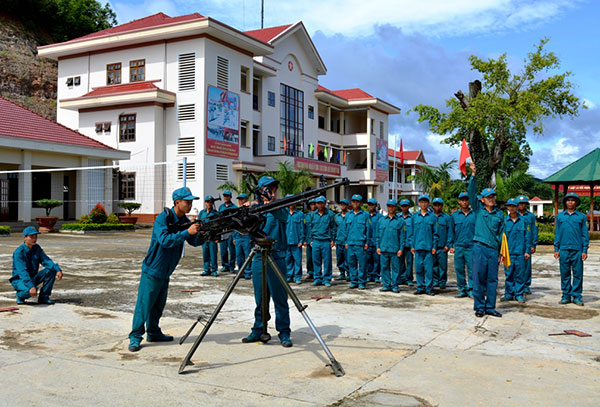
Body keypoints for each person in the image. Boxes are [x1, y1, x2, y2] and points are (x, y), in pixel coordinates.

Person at [128, 187, 203, 351]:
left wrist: (204, 235)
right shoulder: (163, 219)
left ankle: (153, 332)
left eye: (191, 202)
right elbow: (165, 240)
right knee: (144, 305)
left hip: (166, 271)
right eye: (187, 202)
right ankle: (135, 337)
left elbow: (194, 241)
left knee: (158, 305)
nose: (190, 205)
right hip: (152, 270)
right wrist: (187, 232)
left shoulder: (184, 222)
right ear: (177, 202)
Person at [242, 176, 292, 347]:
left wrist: (270, 202)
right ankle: (258, 329)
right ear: (260, 190)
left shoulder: (280, 207)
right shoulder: (255, 209)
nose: (272, 191)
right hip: (258, 257)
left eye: (273, 188)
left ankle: (284, 332)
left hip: (276, 256)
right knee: (260, 298)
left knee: (280, 298)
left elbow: (283, 217)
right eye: (268, 188)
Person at [469, 162, 505, 318]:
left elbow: (502, 234)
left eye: (493, 197)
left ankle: (490, 307)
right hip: (479, 248)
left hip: (493, 250)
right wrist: (473, 176)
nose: (491, 199)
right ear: (482, 200)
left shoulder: (499, 214)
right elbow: (471, 193)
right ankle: (479, 306)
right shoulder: (477, 210)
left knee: (492, 279)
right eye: (488, 197)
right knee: (478, 278)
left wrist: (502, 252)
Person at [10, 226, 63, 305]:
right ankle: (20, 296)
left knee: (51, 270)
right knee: (28, 291)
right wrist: (31, 286)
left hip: (32, 277)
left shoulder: (37, 248)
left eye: (35, 237)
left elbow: (46, 260)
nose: (34, 239)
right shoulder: (19, 252)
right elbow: (22, 272)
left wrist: (58, 269)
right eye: (31, 237)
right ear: (25, 238)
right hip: (19, 280)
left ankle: (44, 297)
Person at [554, 192, 589, 306]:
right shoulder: (560, 216)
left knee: (578, 274)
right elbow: (557, 233)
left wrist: (584, 250)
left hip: (577, 250)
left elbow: (584, 234)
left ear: (576, 202)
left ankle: (577, 296)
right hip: (564, 249)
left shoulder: (581, 217)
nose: (570, 202)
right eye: (568, 200)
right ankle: (566, 296)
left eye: (573, 200)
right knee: (565, 273)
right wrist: (556, 248)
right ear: (565, 202)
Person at [502, 198, 531, 303]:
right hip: (508, 253)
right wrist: (502, 253)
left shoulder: (524, 221)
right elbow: (501, 238)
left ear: (517, 207)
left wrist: (527, 251)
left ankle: (519, 294)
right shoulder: (504, 221)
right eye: (509, 206)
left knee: (520, 275)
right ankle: (509, 293)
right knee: (508, 275)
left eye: (514, 206)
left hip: (520, 253)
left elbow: (528, 237)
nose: (511, 208)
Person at [410, 195, 438, 296]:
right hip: (418, 247)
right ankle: (420, 287)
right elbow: (411, 233)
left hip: (428, 247)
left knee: (429, 269)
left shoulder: (433, 217)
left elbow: (435, 233)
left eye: (425, 202)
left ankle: (429, 288)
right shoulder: (414, 217)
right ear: (418, 203)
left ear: (428, 203)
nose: (423, 204)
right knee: (418, 268)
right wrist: (412, 246)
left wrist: (434, 246)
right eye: (421, 202)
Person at [449, 192, 475, 298]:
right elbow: (451, 231)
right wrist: (451, 245)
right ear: (459, 201)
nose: (464, 202)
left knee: (472, 269)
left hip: (471, 246)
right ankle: (462, 289)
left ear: (469, 201)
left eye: (466, 200)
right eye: (462, 200)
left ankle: (471, 289)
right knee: (459, 268)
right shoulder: (454, 216)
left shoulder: (474, 215)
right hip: (459, 246)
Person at [341, 194, 370, 289]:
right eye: (353, 201)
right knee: (351, 264)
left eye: (357, 201)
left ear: (361, 203)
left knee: (362, 264)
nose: (355, 203)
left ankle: (362, 281)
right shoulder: (348, 215)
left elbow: (368, 230)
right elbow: (345, 229)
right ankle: (354, 281)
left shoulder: (365, 215)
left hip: (361, 244)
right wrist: (345, 241)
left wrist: (367, 243)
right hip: (350, 244)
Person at [376, 200, 405, 293]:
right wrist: (378, 247)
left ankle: (395, 285)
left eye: (393, 206)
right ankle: (386, 285)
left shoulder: (400, 221)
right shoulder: (381, 221)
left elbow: (402, 236)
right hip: (384, 248)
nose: (391, 208)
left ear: (396, 208)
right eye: (389, 206)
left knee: (396, 268)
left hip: (395, 249)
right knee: (384, 268)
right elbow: (378, 235)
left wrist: (401, 248)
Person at [309, 196, 336, 286]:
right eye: (318, 203)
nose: (320, 205)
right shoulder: (312, 215)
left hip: (326, 241)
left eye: (321, 203)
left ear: (325, 204)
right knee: (316, 261)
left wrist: (333, 240)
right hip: (316, 241)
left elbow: (333, 228)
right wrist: (310, 240)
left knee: (327, 261)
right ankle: (317, 278)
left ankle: (327, 279)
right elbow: (310, 228)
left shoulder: (330, 214)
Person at [516, 195, 538, 295]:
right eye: (520, 203)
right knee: (515, 266)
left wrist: (533, 244)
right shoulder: (513, 215)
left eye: (523, 203)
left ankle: (526, 285)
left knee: (526, 267)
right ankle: (516, 285)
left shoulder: (531, 216)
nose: (521, 205)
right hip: (515, 244)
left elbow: (534, 230)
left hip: (527, 244)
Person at [432, 198, 451, 289]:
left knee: (443, 265)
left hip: (442, 246)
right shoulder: (430, 217)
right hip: (432, 246)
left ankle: (442, 281)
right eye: (435, 205)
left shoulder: (447, 218)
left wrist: (448, 244)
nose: (437, 207)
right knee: (434, 265)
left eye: (439, 205)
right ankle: (435, 280)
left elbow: (450, 232)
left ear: (442, 206)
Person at [285, 196, 305, 284]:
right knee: (287, 259)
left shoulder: (300, 214)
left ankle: (297, 276)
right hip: (286, 241)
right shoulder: (284, 214)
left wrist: (301, 240)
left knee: (297, 260)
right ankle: (289, 275)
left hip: (296, 241)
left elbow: (302, 228)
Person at [233, 193, 253, 279]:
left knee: (247, 255)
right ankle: (241, 272)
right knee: (239, 256)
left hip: (246, 236)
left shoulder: (250, 210)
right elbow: (234, 225)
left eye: (242, 199)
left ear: (246, 200)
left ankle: (248, 272)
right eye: (239, 199)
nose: (240, 201)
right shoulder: (237, 211)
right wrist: (234, 237)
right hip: (238, 236)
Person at [199, 196, 219, 276]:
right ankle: (206, 269)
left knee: (213, 254)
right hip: (204, 237)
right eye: (207, 202)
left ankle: (214, 270)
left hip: (212, 237)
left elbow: (218, 226)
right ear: (205, 203)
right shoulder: (202, 213)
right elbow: (199, 223)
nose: (209, 204)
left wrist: (217, 237)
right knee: (205, 254)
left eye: (210, 202)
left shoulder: (215, 213)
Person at [218, 190, 237, 272]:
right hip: (223, 230)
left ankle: (232, 266)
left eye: (227, 196)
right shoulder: (221, 207)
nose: (226, 197)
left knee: (232, 249)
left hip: (231, 230)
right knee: (223, 249)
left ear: (230, 197)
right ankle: (225, 265)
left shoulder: (234, 207)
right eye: (224, 196)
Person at [398, 199, 414, 286]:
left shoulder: (412, 218)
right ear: (400, 207)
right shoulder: (397, 217)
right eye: (403, 206)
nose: (404, 208)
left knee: (409, 262)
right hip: (400, 244)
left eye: (406, 206)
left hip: (409, 244)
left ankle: (409, 278)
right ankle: (401, 278)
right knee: (400, 262)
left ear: (408, 207)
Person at [366, 198, 383, 283]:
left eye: (372, 205)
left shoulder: (380, 217)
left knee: (377, 260)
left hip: (376, 242)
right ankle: (369, 275)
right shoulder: (365, 215)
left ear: (376, 206)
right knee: (368, 259)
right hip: (368, 242)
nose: (371, 206)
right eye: (369, 205)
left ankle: (376, 275)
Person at [334, 199, 349, 281]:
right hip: (339, 241)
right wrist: (334, 240)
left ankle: (349, 274)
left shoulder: (350, 215)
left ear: (347, 206)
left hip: (347, 241)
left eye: (344, 204)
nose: (342, 206)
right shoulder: (337, 217)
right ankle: (342, 273)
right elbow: (334, 229)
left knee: (348, 258)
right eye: (341, 204)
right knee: (340, 258)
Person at [303, 199, 317, 280]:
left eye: (314, 204)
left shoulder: (317, 215)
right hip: (308, 239)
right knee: (309, 258)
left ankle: (316, 272)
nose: (313, 206)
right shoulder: (306, 216)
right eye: (311, 204)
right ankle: (310, 272)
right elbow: (304, 228)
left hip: (316, 239)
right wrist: (304, 240)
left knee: (316, 257)